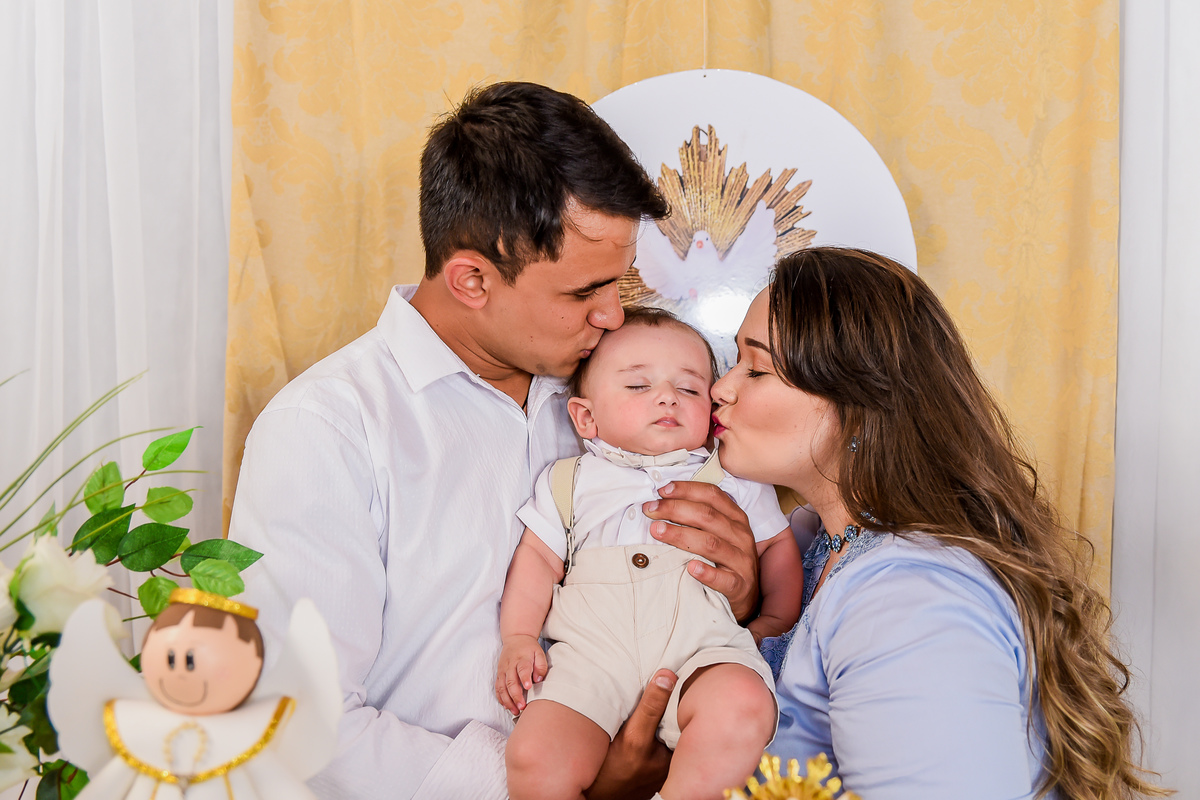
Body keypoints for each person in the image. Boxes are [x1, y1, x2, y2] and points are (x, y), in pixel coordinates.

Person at [227, 81, 765, 800]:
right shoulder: (328, 428)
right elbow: (300, 720)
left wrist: (737, 589)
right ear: (472, 280)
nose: (614, 316)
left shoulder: (622, 395)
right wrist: (552, 787)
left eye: (620, 282)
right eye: (584, 292)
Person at [707, 246, 1166, 799]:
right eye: (733, 361)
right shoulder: (811, 540)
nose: (720, 388)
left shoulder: (909, 600)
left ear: (858, 403)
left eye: (756, 369)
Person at [497, 308, 803, 800]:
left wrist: (775, 620)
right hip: (592, 658)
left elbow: (777, 547)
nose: (666, 397)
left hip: (702, 650)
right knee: (535, 753)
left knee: (743, 703)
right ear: (586, 417)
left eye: (689, 389)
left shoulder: (733, 477)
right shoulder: (568, 481)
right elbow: (537, 560)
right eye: (639, 386)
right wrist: (518, 636)